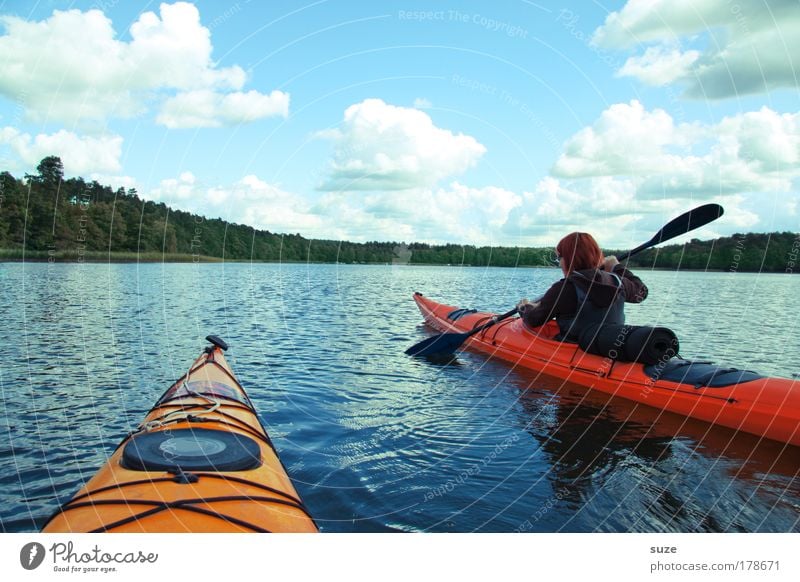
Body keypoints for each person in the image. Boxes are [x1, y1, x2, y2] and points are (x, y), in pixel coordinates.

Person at [517, 232, 648, 342]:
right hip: (607, 346)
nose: (559, 264)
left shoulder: (564, 288)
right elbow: (641, 293)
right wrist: (617, 267)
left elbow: (534, 320)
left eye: (559, 258)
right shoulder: (618, 282)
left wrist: (525, 307)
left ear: (569, 258)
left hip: (573, 349)